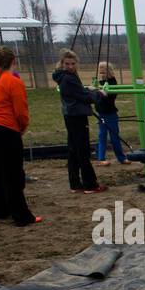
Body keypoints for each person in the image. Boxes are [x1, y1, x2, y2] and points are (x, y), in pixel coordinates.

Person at [0, 46, 40, 226]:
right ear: (14, 61)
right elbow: (21, 111)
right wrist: (21, 127)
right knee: (13, 174)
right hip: (3, 129)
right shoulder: (13, 81)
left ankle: (1, 209)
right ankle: (22, 215)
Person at [51, 49, 106, 193]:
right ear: (62, 63)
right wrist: (98, 93)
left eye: (72, 64)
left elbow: (79, 91)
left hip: (70, 114)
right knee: (82, 150)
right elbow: (84, 96)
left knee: (74, 149)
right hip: (76, 115)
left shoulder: (64, 77)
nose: (70, 66)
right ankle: (90, 184)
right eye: (67, 63)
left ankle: (75, 183)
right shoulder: (69, 78)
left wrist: (88, 89)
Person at [94, 61, 128, 165]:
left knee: (114, 137)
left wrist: (101, 92)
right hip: (101, 113)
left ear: (109, 72)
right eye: (100, 73)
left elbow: (109, 96)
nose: (102, 75)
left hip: (110, 113)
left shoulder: (112, 82)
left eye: (103, 72)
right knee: (102, 136)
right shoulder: (100, 83)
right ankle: (101, 158)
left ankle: (121, 158)